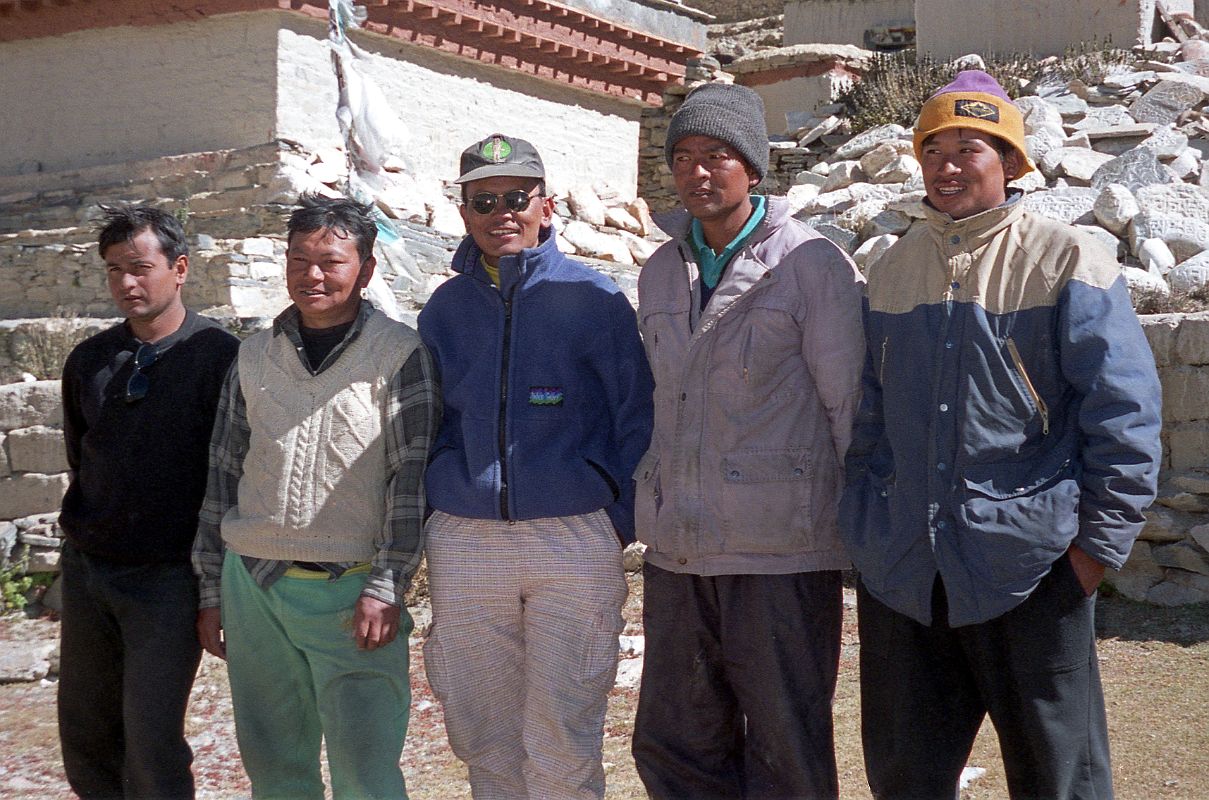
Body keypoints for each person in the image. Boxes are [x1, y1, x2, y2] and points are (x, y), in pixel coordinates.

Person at [839, 70, 1163, 799]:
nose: (947, 166)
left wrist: (1092, 553)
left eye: (969, 149)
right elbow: (867, 421)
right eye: (933, 150)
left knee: (1060, 782)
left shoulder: (1066, 259)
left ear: (1010, 163)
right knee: (905, 780)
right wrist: (868, 530)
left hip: (1031, 569)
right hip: (906, 578)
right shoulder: (890, 270)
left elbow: (1124, 413)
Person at [631, 83, 866, 799]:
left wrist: (856, 532)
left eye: (716, 156)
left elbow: (847, 404)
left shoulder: (812, 265)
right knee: (675, 743)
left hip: (780, 553)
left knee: (783, 748)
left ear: (754, 169)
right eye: (683, 157)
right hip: (679, 549)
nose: (697, 172)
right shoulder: (658, 270)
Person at [417, 133, 653, 800]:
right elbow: (427, 419)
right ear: (463, 211)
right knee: (482, 736)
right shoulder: (444, 309)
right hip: (467, 541)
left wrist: (615, 516)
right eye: (483, 200)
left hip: (574, 539)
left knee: (561, 737)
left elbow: (636, 415)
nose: (502, 213)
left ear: (545, 206)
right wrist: (440, 500)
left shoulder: (595, 299)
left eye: (516, 198)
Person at [192, 194, 439, 800]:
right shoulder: (253, 353)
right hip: (253, 585)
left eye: (331, 260)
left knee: (366, 771)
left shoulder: (400, 355)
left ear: (367, 270)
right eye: (299, 259)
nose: (313, 274)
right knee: (275, 768)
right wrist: (210, 587)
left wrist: (388, 584)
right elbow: (222, 470)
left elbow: (411, 481)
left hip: (350, 591)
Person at [58, 205, 240, 799]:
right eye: (113, 271)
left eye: (139, 268)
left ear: (180, 268)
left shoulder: (221, 358)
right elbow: (82, 461)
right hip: (90, 572)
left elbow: (232, 478)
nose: (126, 284)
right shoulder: (89, 360)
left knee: (152, 741)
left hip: (169, 579)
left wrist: (214, 588)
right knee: (87, 738)